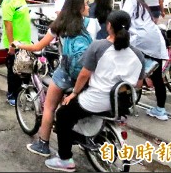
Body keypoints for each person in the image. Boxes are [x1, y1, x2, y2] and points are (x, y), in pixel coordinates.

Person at [44, 10, 145, 171]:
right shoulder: (138, 54)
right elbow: (139, 84)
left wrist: (74, 93)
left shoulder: (98, 46)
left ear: (109, 26)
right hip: (121, 103)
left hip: (96, 101)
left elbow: (84, 74)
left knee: (63, 115)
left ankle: (65, 160)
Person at [13, 0, 98, 157]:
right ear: (79, 8)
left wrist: (20, 45)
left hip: (66, 73)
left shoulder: (59, 25)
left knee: (50, 107)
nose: (88, 7)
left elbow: (38, 47)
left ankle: (42, 145)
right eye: (86, 4)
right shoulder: (92, 24)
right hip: (87, 73)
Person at [122, 0, 169, 121]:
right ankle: (161, 110)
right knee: (158, 77)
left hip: (141, 42)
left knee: (127, 73)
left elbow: (123, 18)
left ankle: (124, 106)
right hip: (155, 42)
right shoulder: (144, 6)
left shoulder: (131, 1)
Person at [1, 0, 32, 106]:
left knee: (25, 70)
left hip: (25, 43)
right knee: (14, 71)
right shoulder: (9, 0)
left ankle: (23, 94)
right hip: (15, 44)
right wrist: (12, 45)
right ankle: (12, 95)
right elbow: (8, 24)